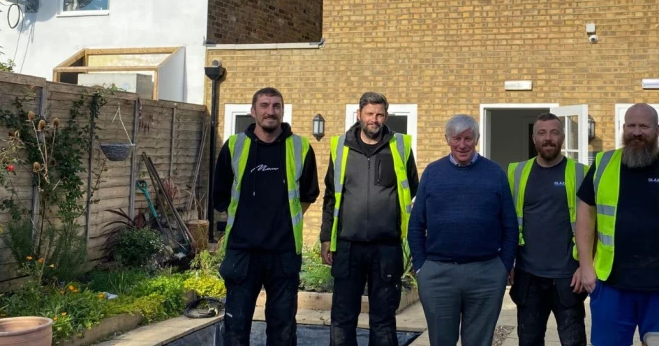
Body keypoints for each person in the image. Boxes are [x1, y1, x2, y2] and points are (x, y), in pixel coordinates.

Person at [575, 103, 659, 345]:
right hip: (610, 286)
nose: (636, 132)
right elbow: (585, 215)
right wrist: (586, 267)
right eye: (631, 125)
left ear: (658, 130)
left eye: (644, 126)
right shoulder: (603, 164)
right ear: (624, 128)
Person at [212, 87, 320, 346]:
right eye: (264, 105)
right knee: (235, 329)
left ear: (282, 111)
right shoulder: (234, 146)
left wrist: (280, 219)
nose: (270, 111)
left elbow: (308, 195)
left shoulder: (301, 147)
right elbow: (220, 195)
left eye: (276, 106)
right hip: (242, 252)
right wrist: (248, 220)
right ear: (253, 111)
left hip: (283, 252)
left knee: (283, 331)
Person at [407, 114, 517, 346]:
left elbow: (510, 225)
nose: (462, 144)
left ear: (477, 139)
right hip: (438, 274)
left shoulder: (495, 173)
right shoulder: (432, 173)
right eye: (456, 138)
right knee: (441, 340)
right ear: (447, 139)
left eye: (468, 138)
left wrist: (503, 266)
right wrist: (421, 267)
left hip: (486, 274)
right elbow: (416, 224)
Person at [320, 92, 420, 346]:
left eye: (379, 114)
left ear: (386, 116)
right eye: (369, 114)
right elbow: (331, 196)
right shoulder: (340, 147)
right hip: (348, 247)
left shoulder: (400, 146)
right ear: (359, 114)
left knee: (384, 320)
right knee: (342, 318)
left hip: (386, 248)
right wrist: (325, 238)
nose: (374, 119)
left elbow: (412, 187)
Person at [507, 113, 589, 346]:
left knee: (574, 342)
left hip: (569, 277)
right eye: (542, 133)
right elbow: (508, 221)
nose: (548, 138)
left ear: (563, 137)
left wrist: (585, 265)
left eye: (554, 133)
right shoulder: (516, 172)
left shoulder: (581, 173)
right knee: (529, 341)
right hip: (528, 276)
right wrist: (508, 262)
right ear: (534, 138)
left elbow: (593, 225)